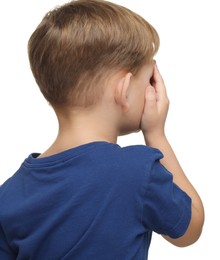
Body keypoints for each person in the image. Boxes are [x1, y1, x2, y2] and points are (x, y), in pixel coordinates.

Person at [0, 0, 204, 259]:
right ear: (124, 89)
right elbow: (190, 228)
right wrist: (156, 135)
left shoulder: (8, 195)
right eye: (148, 80)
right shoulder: (138, 172)